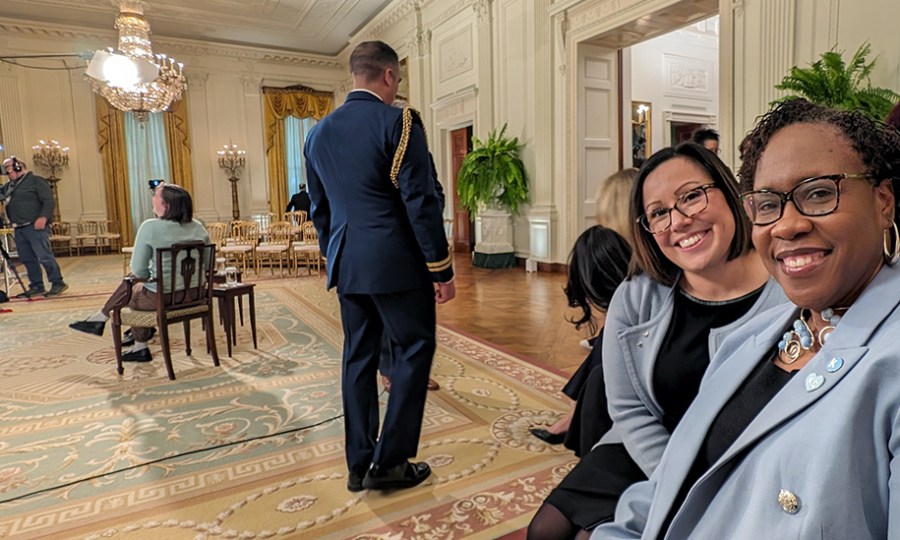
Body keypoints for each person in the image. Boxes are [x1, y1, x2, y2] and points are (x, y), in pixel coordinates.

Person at [593, 99, 900, 539]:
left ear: (883, 201)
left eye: (818, 192)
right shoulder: (749, 340)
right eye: (768, 203)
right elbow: (674, 484)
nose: (786, 225)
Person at [527, 142, 786, 540]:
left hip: (733, 464)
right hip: (648, 447)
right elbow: (628, 409)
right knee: (546, 530)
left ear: (728, 192)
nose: (679, 220)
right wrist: (671, 476)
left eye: (691, 197)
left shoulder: (790, 291)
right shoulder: (636, 295)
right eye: (659, 213)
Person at [303, 40, 455, 493]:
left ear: (356, 74)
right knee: (412, 352)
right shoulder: (400, 121)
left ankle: (357, 463)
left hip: (348, 261)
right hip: (396, 264)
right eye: (398, 80)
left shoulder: (318, 133)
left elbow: (320, 208)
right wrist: (441, 269)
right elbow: (420, 200)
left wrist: (336, 255)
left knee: (358, 356)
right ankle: (390, 463)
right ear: (389, 76)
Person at [529, 168, 638, 445]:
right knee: (604, 340)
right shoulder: (617, 251)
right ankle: (575, 416)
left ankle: (577, 419)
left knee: (606, 342)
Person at [68, 183, 209, 362]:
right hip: (195, 294)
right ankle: (101, 318)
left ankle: (138, 345)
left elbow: (139, 269)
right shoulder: (198, 226)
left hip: (162, 298)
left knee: (132, 289)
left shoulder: (150, 227)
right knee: (134, 284)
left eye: (156, 195)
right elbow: (208, 262)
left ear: (166, 205)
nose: (152, 199)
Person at [0, 157, 67, 298]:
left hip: (35, 226)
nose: (6, 172)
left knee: (44, 256)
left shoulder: (36, 181)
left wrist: (43, 217)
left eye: (8, 168)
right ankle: (37, 285)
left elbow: (48, 201)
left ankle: (58, 282)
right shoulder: (10, 186)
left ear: (18, 166)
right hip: (19, 228)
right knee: (27, 258)